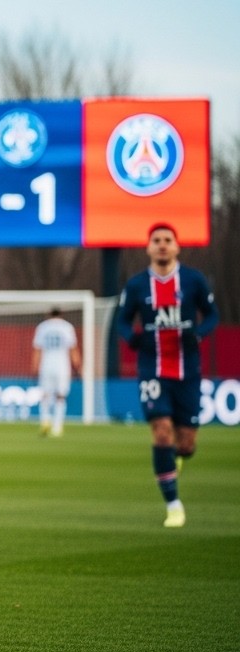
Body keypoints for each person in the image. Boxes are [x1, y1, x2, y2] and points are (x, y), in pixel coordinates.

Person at [115, 222, 217, 528]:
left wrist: (198, 335)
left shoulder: (193, 281)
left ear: (176, 246)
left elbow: (212, 315)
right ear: (148, 247)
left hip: (188, 370)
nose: (162, 245)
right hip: (152, 368)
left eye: (167, 240)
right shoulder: (135, 286)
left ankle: (177, 458)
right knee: (161, 431)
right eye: (156, 240)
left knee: (186, 443)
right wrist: (131, 338)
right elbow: (121, 321)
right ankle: (174, 505)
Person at [31, 307, 80, 438]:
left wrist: (34, 368)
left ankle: (45, 421)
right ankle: (57, 427)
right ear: (61, 315)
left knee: (45, 395)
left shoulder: (42, 327)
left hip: (46, 365)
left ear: (49, 315)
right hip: (62, 366)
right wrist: (78, 367)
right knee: (61, 396)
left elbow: (37, 350)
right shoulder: (67, 327)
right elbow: (73, 349)